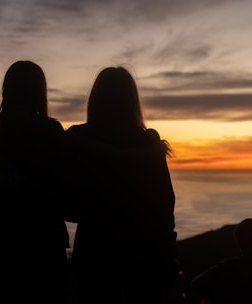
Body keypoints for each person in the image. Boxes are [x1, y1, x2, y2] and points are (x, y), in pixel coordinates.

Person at [65, 66, 178, 303]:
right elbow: (165, 205)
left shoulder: (77, 140)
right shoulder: (148, 144)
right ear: (132, 101)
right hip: (143, 255)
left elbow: (67, 205)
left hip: (94, 254)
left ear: (95, 99)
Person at [0, 60, 70, 304]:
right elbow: (67, 195)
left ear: (7, 92)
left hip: (2, 256)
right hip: (46, 254)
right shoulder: (51, 134)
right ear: (40, 93)